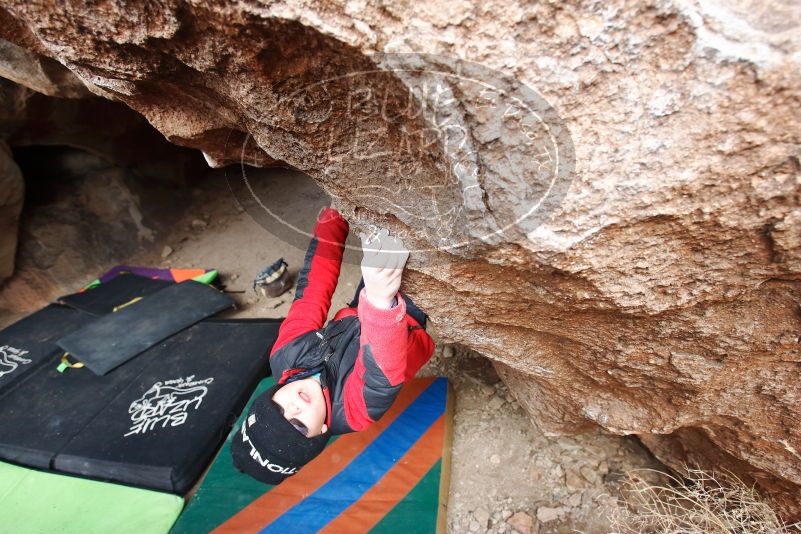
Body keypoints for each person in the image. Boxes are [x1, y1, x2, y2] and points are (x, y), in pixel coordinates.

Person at [231, 208, 435, 484]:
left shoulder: (284, 355)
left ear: (271, 395)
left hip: (366, 304)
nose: (295, 408)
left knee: (393, 221)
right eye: (299, 425)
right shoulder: (356, 413)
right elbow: (382, 369)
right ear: (322, 431)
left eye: (278, 410)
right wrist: (378, 300)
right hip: (407, 320)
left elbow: (312, 289)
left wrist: (334, 216)